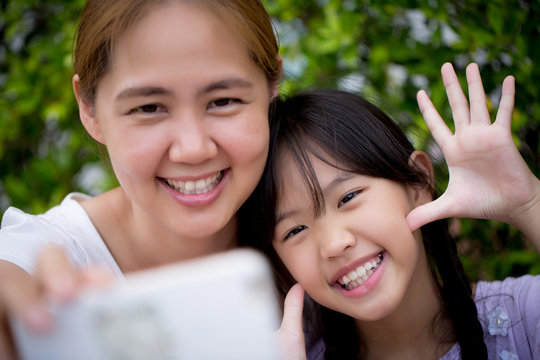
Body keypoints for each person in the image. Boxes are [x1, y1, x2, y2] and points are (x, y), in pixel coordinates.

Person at [0, 0, 281, 358]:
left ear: (272, 88)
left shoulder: (320, 237)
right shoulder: (41, 258)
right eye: (148, 108)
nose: (192, 149)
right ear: (90, 110)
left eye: (223, 100)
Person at [243, 63, 540, 359]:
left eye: (347, 197)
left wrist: (529, 204)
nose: (334, 244)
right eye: (295, 230)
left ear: (417, 185)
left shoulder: (524, 317)